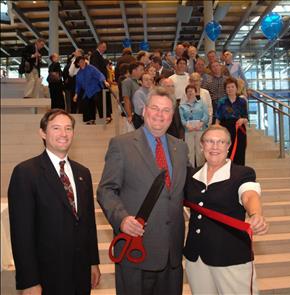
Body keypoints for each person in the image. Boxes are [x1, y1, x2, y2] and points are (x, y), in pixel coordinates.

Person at [97, 87, 189, 295]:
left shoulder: (180, 148)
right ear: (144, 110)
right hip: (137, 249)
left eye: (166, 110)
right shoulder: (122, 145)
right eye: (154, 108)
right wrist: (122, 219)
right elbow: (106, 190)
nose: (159, 114)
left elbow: (183, 191)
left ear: (172, 116)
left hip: (171, 254)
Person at [8, 109, 101, 295]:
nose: (63, 134)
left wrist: (93, 262)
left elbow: (88, 223)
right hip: (46, 277)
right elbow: (21, 234)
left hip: (80, 273)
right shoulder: (26, 173)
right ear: (42, 133)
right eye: (56, 128)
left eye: (68, 128)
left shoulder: (83, 173)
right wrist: (29, 282)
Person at [184, 124, 268, 295]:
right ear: (201, 146)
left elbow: (249, 195)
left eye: (221, 142)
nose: (215, 146)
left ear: (228, 147)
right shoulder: (191, 176)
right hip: (196, 258)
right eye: (209, 141)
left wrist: (255, 214)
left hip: (231, 257)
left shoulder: (242, 173)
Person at [216, 77, 248, 165]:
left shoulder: (242, 101)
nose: (230, 89)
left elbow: (246, 117)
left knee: (240, 153)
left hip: (239, 129)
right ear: (225, 89)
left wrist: (242, 120)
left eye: (232, 87)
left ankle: (239, 176)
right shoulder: (221, 101)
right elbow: (218, 118)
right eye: (228, 87)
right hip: (225, 130)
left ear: (236, 88)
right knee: (226, 154)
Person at [179, 85, 209, 167]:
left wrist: (201, 123)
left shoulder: (202, 103)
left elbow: (206, 115)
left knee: (200, 151)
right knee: (189, 151)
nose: (190, 93)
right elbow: (182, 119)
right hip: (188, 131)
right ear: (186, 94)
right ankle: (191, 170)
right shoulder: (182, 106)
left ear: (196, 92)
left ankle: (201, 169)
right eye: (188, 91)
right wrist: (187, 126)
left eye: (192, 91)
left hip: (200, 129)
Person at [73, 56, 107, 124]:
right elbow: (78, 86)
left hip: (95, 88)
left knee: (98, 101)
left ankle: (105, 117)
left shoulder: (91, 68)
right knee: (85, 102)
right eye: (80, 62)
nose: (82, 63)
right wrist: (76, 95)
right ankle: (90, 119)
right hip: (87, 92)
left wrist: (105, 81)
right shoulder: (78, 74)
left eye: (83, 61)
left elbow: (99, 74)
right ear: (77, 64)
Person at [89, 41, 113, 123]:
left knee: (104, 98)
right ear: (99, 46)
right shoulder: (95, 54)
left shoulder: (99, 55)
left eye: (105, 47)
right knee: (101, 99)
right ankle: (105, 116)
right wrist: (102, 80)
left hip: (102, 80)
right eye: (103, 47)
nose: (104, 49)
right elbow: (95, 69)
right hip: (99, 81)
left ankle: (107, 115)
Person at [62, 48, 84, 113]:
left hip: (75, 80)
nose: (74, 53)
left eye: (76, 52)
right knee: (81, 97)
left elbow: (70, 72)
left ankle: (74, 113)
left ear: (80, 53)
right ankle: (80, 112)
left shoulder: (75, 61)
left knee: (74, 97)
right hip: (83, 80)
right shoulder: (85, 60)